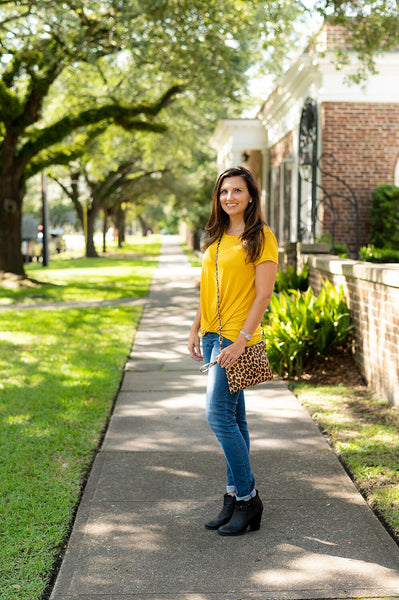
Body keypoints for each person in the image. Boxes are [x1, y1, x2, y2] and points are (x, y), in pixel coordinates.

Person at [188, 165, 278, 536]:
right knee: (235, 419)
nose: (229, 198)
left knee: (217, 417)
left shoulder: (261, 237)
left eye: (237, 191)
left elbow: (263, 295)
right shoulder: (217, 236)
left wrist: (241, 340)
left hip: (235, 339)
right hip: (211, 336)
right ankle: (232, 497)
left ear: (251, 196)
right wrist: (195, 328)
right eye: (224, 192)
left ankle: (248, 497)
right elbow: (208, 289)